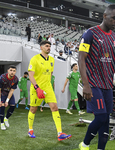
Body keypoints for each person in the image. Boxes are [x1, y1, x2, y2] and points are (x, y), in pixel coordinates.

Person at [78, 4, 115, 150]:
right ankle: (85, 144)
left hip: (108, 85)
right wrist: (86, 85)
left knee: (106, 120)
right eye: (113, 18)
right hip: (93, 83)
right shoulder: (90, 33)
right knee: (100, 117)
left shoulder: (113, 36)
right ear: (104, 16)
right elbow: (81, 58)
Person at [27, 40, 71, 141]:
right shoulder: (34, 59)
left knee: (55, 107)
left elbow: (50, 74)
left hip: (48, 88)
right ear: (41, 47)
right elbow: (30, 75)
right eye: (47, 46)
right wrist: (37, 88)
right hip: (36, 88)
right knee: (33, 109)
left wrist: (49, 86)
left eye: (50, 46)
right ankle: (30, 130)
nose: (49, 48)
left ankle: (60, 133)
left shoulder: (52, 59)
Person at [0, 65, 19, 130]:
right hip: (2, 93)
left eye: (14, 71)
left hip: (9, 93)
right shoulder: (2, 77)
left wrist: (7, 101)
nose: (12, 72)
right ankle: (2, 124)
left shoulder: (16, 79)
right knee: (2, 107)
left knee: (12, 106)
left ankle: (6, 119)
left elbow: (12, 91)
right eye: (11, 70)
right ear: (8, 71)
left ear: (15, 72)